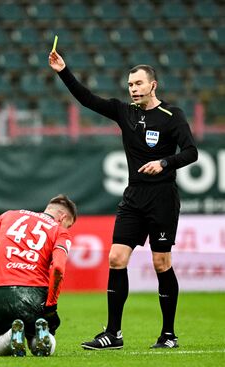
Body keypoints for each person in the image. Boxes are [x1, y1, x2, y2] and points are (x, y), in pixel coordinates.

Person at [49, 50, 198, 350]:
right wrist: (63, 71)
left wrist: (165, 163)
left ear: (153, 85)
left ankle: (168, 334)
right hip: (134, 197)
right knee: (116, 258)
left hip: (162, 198)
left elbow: (191, 151)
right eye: (130, 84)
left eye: (139, 83)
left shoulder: (172, 116)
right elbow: (87, 99)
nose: (133, 88)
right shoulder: (124, 111)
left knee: (161, 262)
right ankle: (113, 334)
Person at [0, 194, 78, 357]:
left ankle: (12, 336)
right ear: (63, 217)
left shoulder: (7, 216)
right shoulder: (60, 231)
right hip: (36, 296)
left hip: (1, 293)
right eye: (68, 225)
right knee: (43, 334)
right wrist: (51, 305)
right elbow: (58, 268)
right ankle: (43, 337)